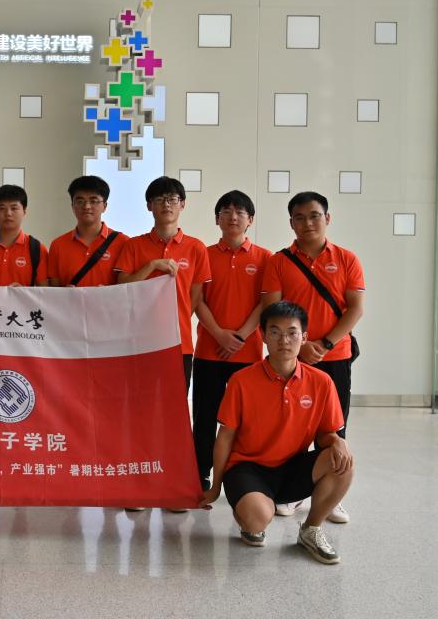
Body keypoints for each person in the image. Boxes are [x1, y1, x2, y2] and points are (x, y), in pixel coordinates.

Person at [197, 301, 353, 564]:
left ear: (304, 337)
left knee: (343, 463)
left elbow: (325, 434)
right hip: (248, 468)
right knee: (257, 517)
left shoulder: (321, 382)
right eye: (275, 332)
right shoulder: (241, 381)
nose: (284, 340)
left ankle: (311, 529)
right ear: (263, 336)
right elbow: (225, 437)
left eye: (292, 333)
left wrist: (338, 441)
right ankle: (250, 515)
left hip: (292, 467)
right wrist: (214, 487)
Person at [261, 191, 364, 524]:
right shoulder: (278, 262)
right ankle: (293, 492)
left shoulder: (347, 259)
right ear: (291, 223)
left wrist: (326, 344)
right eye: (300, 218)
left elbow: (355, 309)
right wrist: (301, 346)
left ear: (327, 218)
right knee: (292, 426)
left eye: (314, 216)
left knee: (335, 426)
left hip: (336, 356)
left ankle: (331, 496)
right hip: (292, 358)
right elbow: (272, 311)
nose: (308, 223)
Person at [115, 176, 211, 512]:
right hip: (139, 345)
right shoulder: (134, 246)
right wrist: (152, 265)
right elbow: (122, 286)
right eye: (159, 199)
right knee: (140, 414)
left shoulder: (196, 248)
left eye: (172, 199)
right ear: (149, 206)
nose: (166, 204)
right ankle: (140, 484)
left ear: (182, 204)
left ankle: (172, 484)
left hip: (178, 345)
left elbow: (195, 297)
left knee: (174, 416)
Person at [191, 191, 271, 491]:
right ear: (217, 219)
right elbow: (197, 300)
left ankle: (244, 476)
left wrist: (239, 337)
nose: (233, 217)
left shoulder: (265, 258)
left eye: (240, 212)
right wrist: (219, 334)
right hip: (209, 351)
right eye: (226, 211)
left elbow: (265, 303)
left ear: (251, 220)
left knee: (246, 420)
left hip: (248, 354)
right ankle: (200, 473)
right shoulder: (204, 254)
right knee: (205, 417)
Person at [47, 175, 128, 287]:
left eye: (93, 201)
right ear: (72, 206)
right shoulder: (58, 245)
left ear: (105, 206)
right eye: (80, 201)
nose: (87, 206)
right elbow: (53, 290)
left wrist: (109, 292)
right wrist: (65, 293)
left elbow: (128, 289)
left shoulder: (124, 243)